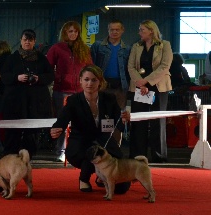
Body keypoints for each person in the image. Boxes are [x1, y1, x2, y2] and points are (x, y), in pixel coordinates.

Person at [51, 64, 132, 193]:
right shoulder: (74, 101)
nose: (90, 83)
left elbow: (120, 124)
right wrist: (56, 129)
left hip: (105, 143)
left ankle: (101, 178)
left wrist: (124, 120)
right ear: (80, 81)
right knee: (91, 154)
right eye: (86, 79)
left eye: (94, 80)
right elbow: (61, 121)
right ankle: (84, 179)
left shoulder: (109, 99)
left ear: (100, 82)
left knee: (122, 188)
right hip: (80, 144)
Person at [0, 29, 54, 157]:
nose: (27, 42)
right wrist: (16, 77)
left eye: (30, 40)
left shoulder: (41, 59)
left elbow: (50, 75)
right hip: (15, 102)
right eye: (25, 40)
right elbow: (4, 76)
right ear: (21, 41)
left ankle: (30, 155)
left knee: (32, 131)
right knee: (13, 131)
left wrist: (38, 78)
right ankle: (10, 155)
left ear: (34, 41)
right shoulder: (12, 58)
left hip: (36, 102)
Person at [47, 21, 93, 162]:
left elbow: (89, 68)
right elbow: (48, 67)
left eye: (75, 31)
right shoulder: (56, 48)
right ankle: (61, 151)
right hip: (62, 91)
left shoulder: (84, 49)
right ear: (65, 33)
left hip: (81, 92)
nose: (73, 34)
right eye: (70, 31)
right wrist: (58, 78)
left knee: (82, 122)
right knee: (62, 122)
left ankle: (80, 150)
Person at [127, 19, 173, 163]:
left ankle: (159, 155)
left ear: (151, 31)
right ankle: (138, 154)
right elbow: (131, 67)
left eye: (142, 30)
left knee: (157, 121)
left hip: (159, 87)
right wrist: (140, 83)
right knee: (139, 120)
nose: (139, 32)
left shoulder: (165, 45)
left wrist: (147, 81)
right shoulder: (136, 46)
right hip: (139, 87)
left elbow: (164, 66)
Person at [90, 19, 131, 110]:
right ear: (108, 30)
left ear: (122, 30)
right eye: (111, 30)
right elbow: (91, 65)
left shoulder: (127, 49)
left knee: (119, 112)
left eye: (117, 29)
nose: (114, 32)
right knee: (99, 110)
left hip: (120, 86)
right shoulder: (97, 46)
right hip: (101, 84)